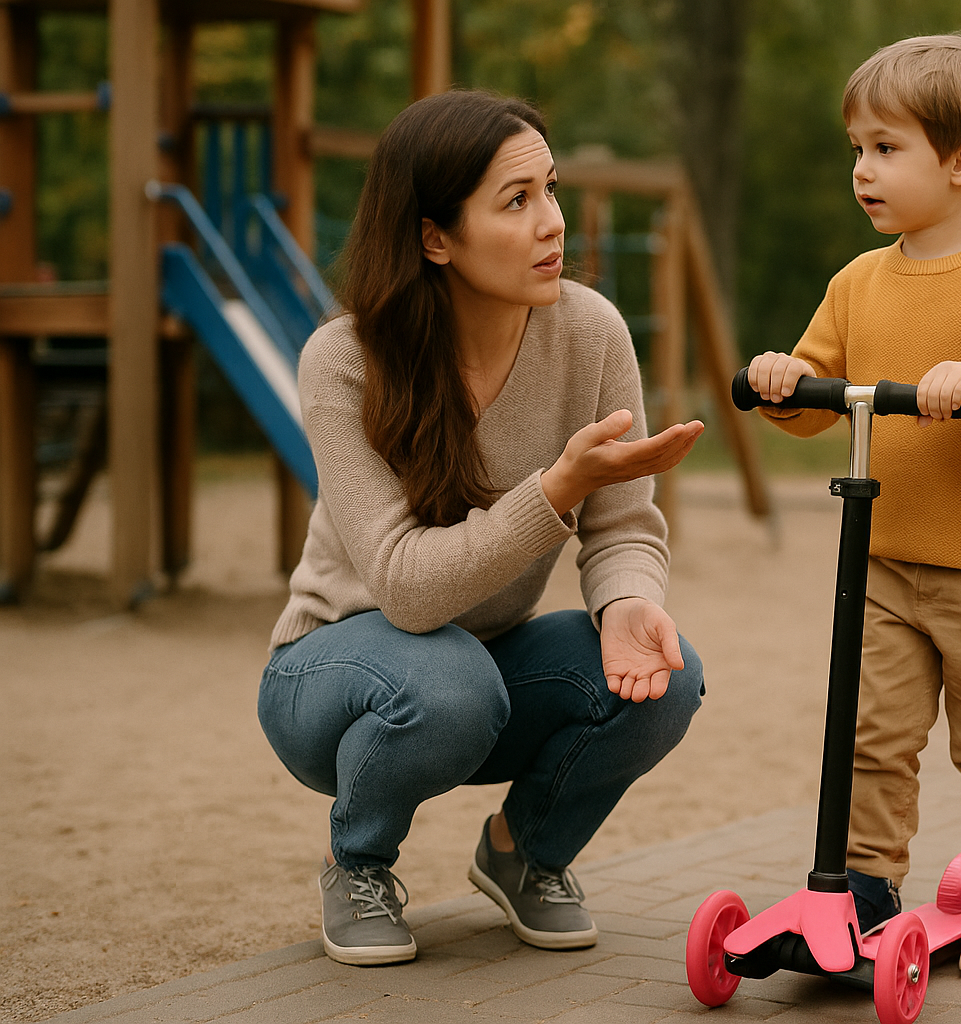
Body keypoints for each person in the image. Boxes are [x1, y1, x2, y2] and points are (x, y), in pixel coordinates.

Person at [257, 90, 707, 968]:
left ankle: (525, 852)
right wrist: (553, 490)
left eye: (550, 189)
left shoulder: (591, 333)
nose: (552, 223)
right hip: (333, 675)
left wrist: (626, 601)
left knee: (666, 676)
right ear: (435, 238)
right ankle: (357, 862)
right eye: (516, 201)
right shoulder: (345, 360)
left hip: (484, 669)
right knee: (450, 679)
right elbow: (404, 585)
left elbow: (623, 525)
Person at [747, 34, 961, 979]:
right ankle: (865, 886)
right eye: (858, 149)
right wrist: (784, 381)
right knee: (874, 738)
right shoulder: (857, 281)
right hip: (885, 563)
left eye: (886, 148)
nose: (863, 169)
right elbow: (817, 392)